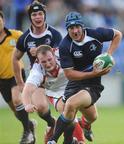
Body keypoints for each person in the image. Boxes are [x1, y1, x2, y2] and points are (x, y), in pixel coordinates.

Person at [47, 11, 122, 144]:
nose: (75, 31)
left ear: (82, 26)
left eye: (77, 27)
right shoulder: (65, 45)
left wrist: (109, 55)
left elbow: (118, 34)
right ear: (67, 29)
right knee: (69, 107)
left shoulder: (96, 34)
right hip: (75, 83)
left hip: (93, 85)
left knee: (91, 116)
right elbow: (69, 74)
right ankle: (54, 140)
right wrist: (94, 73)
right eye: (71, 28)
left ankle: (84, 125)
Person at [12, 1, 62, 143]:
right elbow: (15, 58)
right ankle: (52, 123)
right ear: (30, 17)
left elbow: (60, 55)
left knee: (68, 109)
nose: (38, 17)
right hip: (39, 78)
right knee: (40, 107)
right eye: (34, 14)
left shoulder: (54, 34)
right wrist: (20, 82)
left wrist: (41, 49)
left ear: (44, 15)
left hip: (57, 78)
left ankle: (74, 136)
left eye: (40, 13)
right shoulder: (25, 38)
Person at [22, 45, 85, 144]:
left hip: (72, 85)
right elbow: (27, 90)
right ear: (38, 60)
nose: (47, 64)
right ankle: (71, 139)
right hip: (55, 91)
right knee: (66, 111)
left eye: (49, 59)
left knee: (92, 115)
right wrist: (27, 104)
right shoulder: (37, 71)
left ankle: (83, 126)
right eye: (43, 62)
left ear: (54, 55)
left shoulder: (64, 53)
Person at [0, 11, 36, 144]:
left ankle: (27, 133)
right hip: (2, 79)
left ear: (3, 21)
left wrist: (34, 50)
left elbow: (30, 41)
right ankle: (29, 126)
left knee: (17, 100)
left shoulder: (16, 35)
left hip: (17, 75)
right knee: (16, 112)